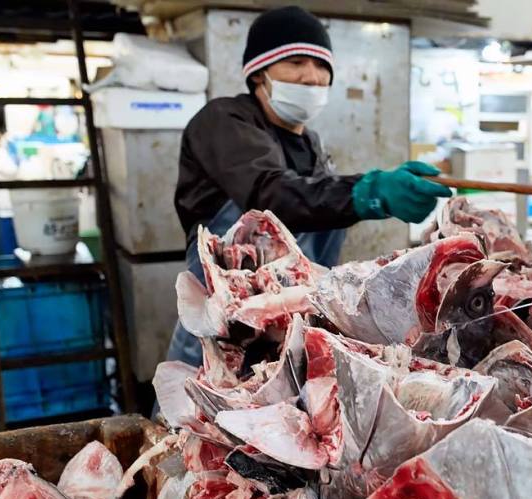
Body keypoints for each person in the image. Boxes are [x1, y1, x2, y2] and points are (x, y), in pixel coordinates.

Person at [166, 5, 452, 369]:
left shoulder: (310, 144)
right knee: (197, 401)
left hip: (290, 317)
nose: (312, 77)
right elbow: (269, 194)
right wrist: (367, 192)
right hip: (224, 316)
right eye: (296, 63)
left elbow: (314, 204)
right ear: (259, 73)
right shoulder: (224, 120)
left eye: (321, 66)